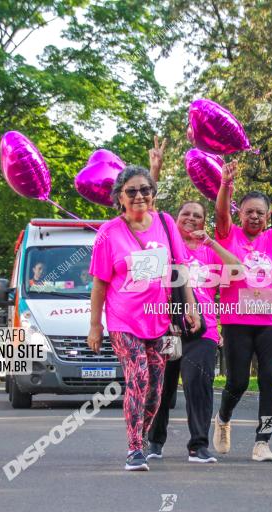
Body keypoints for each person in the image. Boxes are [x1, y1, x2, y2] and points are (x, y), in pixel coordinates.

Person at [86, 165, 201, 472]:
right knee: (138, 377)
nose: (139, 196)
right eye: (132, 191)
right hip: (123, 320)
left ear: (153, 193)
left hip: (159, 321)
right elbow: (99, 284)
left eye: (145, 190)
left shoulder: (165, 223)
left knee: (156, 391)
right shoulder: (109, 233)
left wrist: (190, 306)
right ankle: (134, 448)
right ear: (119, 197)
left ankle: (142, 435)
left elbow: (181, 270)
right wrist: (95, 326)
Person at [211, 160, 272, 462]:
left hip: (269, 322)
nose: (254, 216)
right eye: (249, 211)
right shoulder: (229, 236)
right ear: (241, 214)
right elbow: (220, 213)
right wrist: (225, 185)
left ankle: (262, 441)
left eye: (260, 212)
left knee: (270, 379)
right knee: (237, 381)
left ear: (267, 216)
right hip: (236, 321)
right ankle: (223, 418)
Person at [145, 201, 242, 464]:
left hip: (203, 329)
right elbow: (148, 215)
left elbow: (238, 269)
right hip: (168, 329)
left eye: (197, 216)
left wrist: (211, 243)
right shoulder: (163, 247)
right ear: (175, 219)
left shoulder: (208, 253)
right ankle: (154, 442)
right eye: (185, 214)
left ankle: (198, 446)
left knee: (198, 385)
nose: (191, 218)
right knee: (161, 387)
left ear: (204, 222)